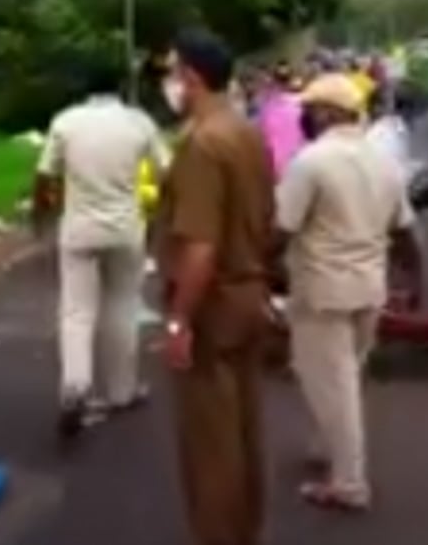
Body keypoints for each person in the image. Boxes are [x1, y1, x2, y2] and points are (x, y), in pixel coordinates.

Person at [276, 74, 422, 512]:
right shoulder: (383, 162)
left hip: (322, 291)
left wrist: (257, 271)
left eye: (308, 110)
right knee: (344, 378)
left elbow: (281, 228)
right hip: (368, 289)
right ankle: (326, 448)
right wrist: (414, 280)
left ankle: (348, 482)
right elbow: (406, 233)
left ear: (325, 113)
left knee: (332, 386)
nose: (303, 117)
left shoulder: (311, 162)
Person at [156, 29, 276, 545]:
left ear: (192, 77)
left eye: (171, 71)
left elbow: (199, 246)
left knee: (210, 447)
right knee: (244, 430)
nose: (168, 82)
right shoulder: (246, 132)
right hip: (250, 291)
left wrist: (180, 319)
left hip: (215, 302)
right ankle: (246, 531)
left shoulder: (202, 143)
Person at [33, 63, 169, 439]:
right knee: (122, 306)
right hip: (126, 228)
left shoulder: (66, 122)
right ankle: (122, 391)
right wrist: (160, 217)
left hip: (79, 229)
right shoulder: (138, 122)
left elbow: (45, 176)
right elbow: (166, 172)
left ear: (83, 88)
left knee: (76, 311)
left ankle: (75, 388)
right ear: (122, 86)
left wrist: (39, 215)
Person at [256, 63, 306, 178]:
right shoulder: (303, 104)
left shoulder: (267, 109)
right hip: (301, 164)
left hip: (280, 169)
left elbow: (264, 140)